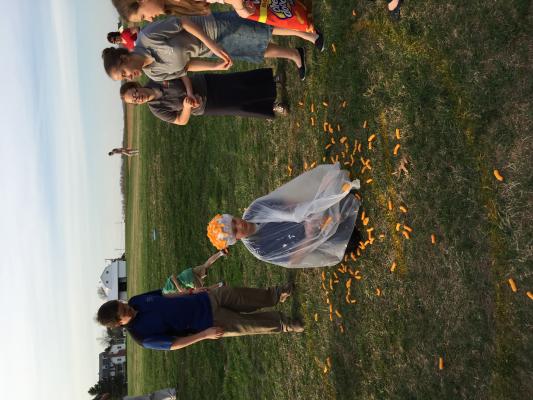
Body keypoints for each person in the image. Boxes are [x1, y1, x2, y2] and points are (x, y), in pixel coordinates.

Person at [207, 163, 361, 268]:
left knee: (340, 192)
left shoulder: (255, 210)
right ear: (235, 239)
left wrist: (313, 212)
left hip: (308, 213)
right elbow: (294, 259)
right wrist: (310, 236)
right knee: (353, 239)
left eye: (234, 221)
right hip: (313, 236)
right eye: (235, 230)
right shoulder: (260, 249)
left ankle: (334, 207)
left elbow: (289, 202)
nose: (240, 225)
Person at [103, 9, 324, 81]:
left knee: (261, 29)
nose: (128, 78)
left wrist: (212, 43)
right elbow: (186, 67)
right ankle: (295, 54)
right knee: (256, 49)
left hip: (212, 28)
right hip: (211, 49)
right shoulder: (154, 74)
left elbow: (183, 21)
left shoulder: (147, 37)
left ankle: (308, 34)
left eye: (123, 73)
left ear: (124, 58)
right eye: (124, 79)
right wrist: (215, 65)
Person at [96, 283, 302, 351]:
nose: (128, 308)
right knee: (250, 325)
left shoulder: (136, 300)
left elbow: (164, 296)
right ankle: (287, 324)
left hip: (206, 298)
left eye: (123, 305)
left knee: (241, 294)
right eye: (125, 313)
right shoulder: (142, 337)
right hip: (210, 322)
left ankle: (276, 294)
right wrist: (204, 335)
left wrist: (190, 292)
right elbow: (175, 344)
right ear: (119, 324)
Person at [119, 68, 286, 125]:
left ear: (136, 86)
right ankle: (273, 106)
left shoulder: (155, 78)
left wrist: (190, 93)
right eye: (134, 100)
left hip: (206, 82)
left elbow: (182, 74)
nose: (137, 97)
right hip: (206, 106)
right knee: (239, 106)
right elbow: (181, 121)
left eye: (134, 93)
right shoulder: (156, 109)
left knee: (239, 82)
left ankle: (272, 79)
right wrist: (187, 107)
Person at [161, 250, 227, 295]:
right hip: (188, 273)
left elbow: (172, 277)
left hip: (188, 279)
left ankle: (221, 284)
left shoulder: (166, 291)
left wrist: (179, 288)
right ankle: (221, 253)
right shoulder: (168, 296)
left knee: (203, 291)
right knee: (205, 265)